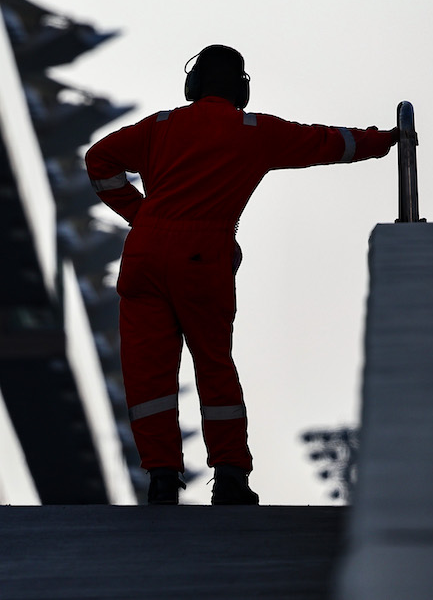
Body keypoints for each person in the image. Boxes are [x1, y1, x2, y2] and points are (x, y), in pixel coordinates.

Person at [84, 45, 398, 505]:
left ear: (193, 86)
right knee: (213, 365)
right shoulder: (255, 132)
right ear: (242, 89)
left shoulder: (160, 126)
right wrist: (384, 140)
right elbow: (327, 142)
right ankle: (230, 475)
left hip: (144, 256)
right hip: (202, 259)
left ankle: (161, 479)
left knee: (146, 372)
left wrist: (142, 214)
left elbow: (99, 161)